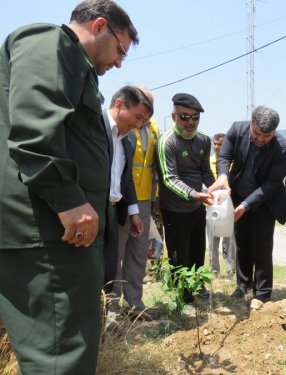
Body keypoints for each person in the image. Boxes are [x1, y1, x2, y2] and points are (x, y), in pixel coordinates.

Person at [0, 1, 138, 373]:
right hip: (44, 230)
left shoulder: (77, 67)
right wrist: (69, 200)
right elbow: (33, 131)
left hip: (55, 232)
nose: (120, 63)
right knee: (61, 356)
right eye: (120, 49)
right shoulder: (49, 42)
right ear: (98, 26)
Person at [208, 105, 286, 304]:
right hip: (237, 196)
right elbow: (225, 157)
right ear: (250, 124)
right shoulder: (237, 130)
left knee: (262, 246)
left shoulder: (282, 146)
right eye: (257, 133)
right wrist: (222, 176)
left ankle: (262, 293)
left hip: (264, 201)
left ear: (274, 132)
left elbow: (272, 183)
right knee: (242, 243)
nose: (261, 139)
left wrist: (246, 204)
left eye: (267, 135)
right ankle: (242, 285)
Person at [156, 93, 215, 303]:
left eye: (195, 117)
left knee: (198, 249)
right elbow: (169, 179)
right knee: (179, 254)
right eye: (184, 117)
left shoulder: (204, 140)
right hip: (174, 209)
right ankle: (183, 296)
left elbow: (205, 171)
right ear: (174, 117)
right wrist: (194, 194)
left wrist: (216, 188)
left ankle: (197, 284)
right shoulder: (166, 142)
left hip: (197, 207)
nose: (191, 122)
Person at [103, 86, 153, 316]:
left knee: (126, 259)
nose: (139, 123)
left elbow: (125, 180)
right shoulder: (98, 129)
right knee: (110, 263)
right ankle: (108, 309)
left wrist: (134, 212)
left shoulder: (128, 139)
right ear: (120, 105)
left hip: (123, 208)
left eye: (144, 118)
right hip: (97, 210)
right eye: (138, 116)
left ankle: (127, 308)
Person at [207, 133, 237, 278]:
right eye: (215, 143)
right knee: (212, 240)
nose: (217, 147)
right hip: (212, 207)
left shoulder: (232, 164)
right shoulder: (208, 162)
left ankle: (231, 270)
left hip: (228, 207)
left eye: (220, 144)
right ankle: (214, 271)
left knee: (230, 240)